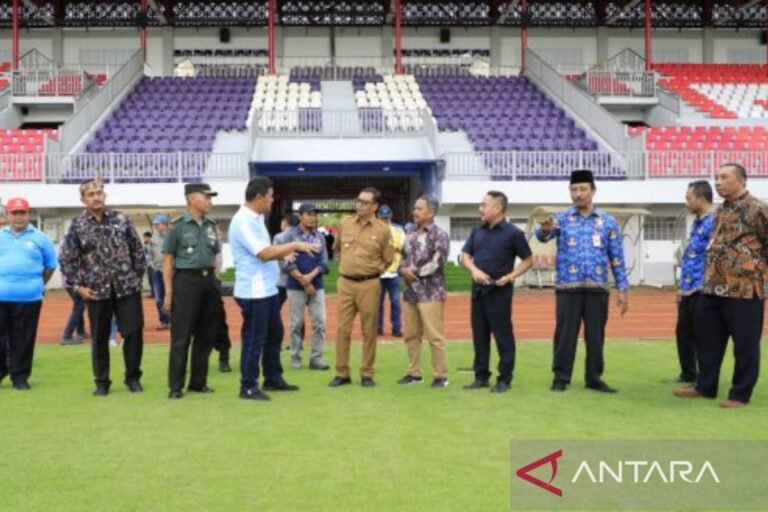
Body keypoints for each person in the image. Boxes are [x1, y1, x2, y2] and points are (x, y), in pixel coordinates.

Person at [675, 164, 768, 408]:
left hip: (745, 290)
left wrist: (757, 271)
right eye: (716, 177)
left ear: (741, 181)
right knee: (708, 341)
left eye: (724, 177)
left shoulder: (757, 208)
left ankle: (739, 394)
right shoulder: (719, 212)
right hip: (712, 287)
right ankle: (705, 387)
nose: (718, 182)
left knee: (745, 346)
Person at [535, 170, 629, 394]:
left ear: (593, 191)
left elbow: (616, 256)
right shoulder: (561, 220)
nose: (578, 194)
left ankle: (594, 378)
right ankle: (561, 377)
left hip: (598, 287)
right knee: (565, 334)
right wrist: (545, 229)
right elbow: (543, 235)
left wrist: (623, 288)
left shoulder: (607, 221)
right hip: (568, 287)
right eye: (574, 189)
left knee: (596, 337)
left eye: (583, 189)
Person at [229, 177, 317, 401]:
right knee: (254, 338)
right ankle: (248, 385)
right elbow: (264, 253)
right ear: (259, 197)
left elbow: (268, 249)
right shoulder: (243, 221)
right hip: (254, 290)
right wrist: (294, 245)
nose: (272, 200)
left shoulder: (256, 219)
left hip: (266, 289)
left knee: (275, 334)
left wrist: (282, 252)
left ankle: (272, 377)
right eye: (269, 196)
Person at [59, 178, 147, 396]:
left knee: (134, 332)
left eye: (99, 192)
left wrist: (136, 278)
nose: (96, 196)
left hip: (127, 288)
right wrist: (78, 287)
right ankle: (102, 382)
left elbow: (137, 250)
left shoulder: (121, 219)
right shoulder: (77, 226)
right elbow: (68, 258)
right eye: (91, 194)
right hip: (96, 291)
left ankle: (133, 378)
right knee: (99, 337)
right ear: (83, 200)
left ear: (104, 195)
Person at [461, 191, 533, 393]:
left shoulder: (513, 233)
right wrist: (474, 270)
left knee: (503, 337)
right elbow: (466, 256)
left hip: (499, 292)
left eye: (484, 205)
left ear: (498, 208)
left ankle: (504, 379)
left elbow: (528, 260)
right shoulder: (477, 231)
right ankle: (481, 376)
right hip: (478, 292)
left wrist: (511, 276)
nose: (480, 209)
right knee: (479, 336)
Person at [329, 187, 394, 388]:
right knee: (342, 330)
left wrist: (372, 271)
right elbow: (337, 250)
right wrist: (350, 267)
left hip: (370, 284)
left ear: (375, 206)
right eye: (359, 201)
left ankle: (367, 373)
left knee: (369, 331)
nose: (360, 205)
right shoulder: (345, 223)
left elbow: (389, 259)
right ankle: (342, 373)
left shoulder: (383, 230)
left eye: (366, 202)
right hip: (346, 283)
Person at [162, 183, 223, 399]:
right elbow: (168, 260)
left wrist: (216, 278)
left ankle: (198, 382)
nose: (210, 201)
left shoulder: (211, 225)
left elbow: (216, 254)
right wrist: (169, 292)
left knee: (206, 335)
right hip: (186, 282)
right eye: (206, 197)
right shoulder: (177, 226)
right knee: (182, 335)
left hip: (209, 282)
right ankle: (176, 386)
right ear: (192, 199)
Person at [0, 198, 57, 390]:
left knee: (23, 339)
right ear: (7, 215)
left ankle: (20, 377)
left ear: (28, 214)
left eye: (22, 213)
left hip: (29, 298)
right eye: (14, 213)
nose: (18, 217)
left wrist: (38, 285)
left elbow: (50, 266)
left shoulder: (40, 238)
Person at [398, 196, 451, 388]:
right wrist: (403, 270)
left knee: (434, 336)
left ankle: (440, 376)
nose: (415, 212)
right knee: (411, 335)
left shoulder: (440, 234)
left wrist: (415, 273)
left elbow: (438, 262)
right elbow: (402, 258)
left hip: (431, 292)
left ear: (431, 212)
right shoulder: (410, 234)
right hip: (410, 292)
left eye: (419, 209)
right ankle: (414, 373)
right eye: (415, 208)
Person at [667, 181, 714, 385]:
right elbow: (691, 256)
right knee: (683, 332)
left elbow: (712, 256)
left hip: (703, 287)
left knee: (702, 334)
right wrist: (682, 287)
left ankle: (704, 378)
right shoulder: (698, 221)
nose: (686, 202)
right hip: (689, 287)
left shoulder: (714, 222)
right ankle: (688, 373)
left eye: (689, 198)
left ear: (701, 199)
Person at [283, 203, 330, 370]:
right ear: (300, 216)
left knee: (320, 323)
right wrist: (303, 280)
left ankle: (316, 359)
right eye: (308, 214)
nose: (311, 218)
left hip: (316, 285)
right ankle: (295, 358)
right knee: (296, 324)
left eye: (314, 214)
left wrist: (310, 278)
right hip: (295, 286)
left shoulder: (320, 237)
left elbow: (324, 262)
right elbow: (285, 262)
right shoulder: (289, 236)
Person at [377, 204, 405, 337]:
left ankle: (396, 328)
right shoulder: (374, 230)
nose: (385, 221)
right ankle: (378, 327)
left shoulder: (398, 230)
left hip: (394, 272)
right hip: (379, 273)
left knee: (395, 302)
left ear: (391, 216)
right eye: (382, 218)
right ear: (378, 217)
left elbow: (403, 248)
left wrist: (391, 249)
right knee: (378, 303)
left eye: (386, 218)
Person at [148, 215, 171, 330]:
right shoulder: (153, 239)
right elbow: (149, 254)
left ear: (165, 224)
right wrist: (151, 265)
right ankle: (164, 321)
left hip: (171, 271)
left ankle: (172, 320)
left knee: (171, 296)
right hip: (157, 272)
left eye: (158, 224)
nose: (156, 226)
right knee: (158, 299)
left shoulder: (172, 237)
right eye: (155, 224)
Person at [273, 213, 300, 310]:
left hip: (282, 279)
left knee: (275, 308)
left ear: (285, 223)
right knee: (297, 311)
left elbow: (274, 253)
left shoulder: (279, 237)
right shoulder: (300, 237)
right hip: (298, 278)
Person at [60, 277, 89, 345]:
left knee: (80, 306)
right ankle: (67, 336)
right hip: (74, 284)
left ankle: (81, 331)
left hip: (72, 283)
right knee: (79, 306)